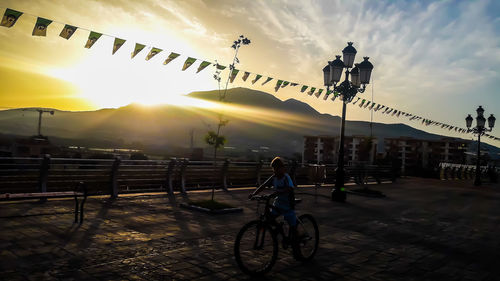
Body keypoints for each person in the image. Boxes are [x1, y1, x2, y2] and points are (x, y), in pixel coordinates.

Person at [249, 157, 297, 237]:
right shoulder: (274, 177)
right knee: (269, 218)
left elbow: (290, 188)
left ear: (282, 168)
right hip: (278, 203)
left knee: (293, 226)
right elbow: (263, 186)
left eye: (277, 168)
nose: (275, 171)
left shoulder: (286, 177)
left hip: (288, 204)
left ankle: (296, 241)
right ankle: (279, 228)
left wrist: (279, 192)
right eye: (274, 169)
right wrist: (253, 194)